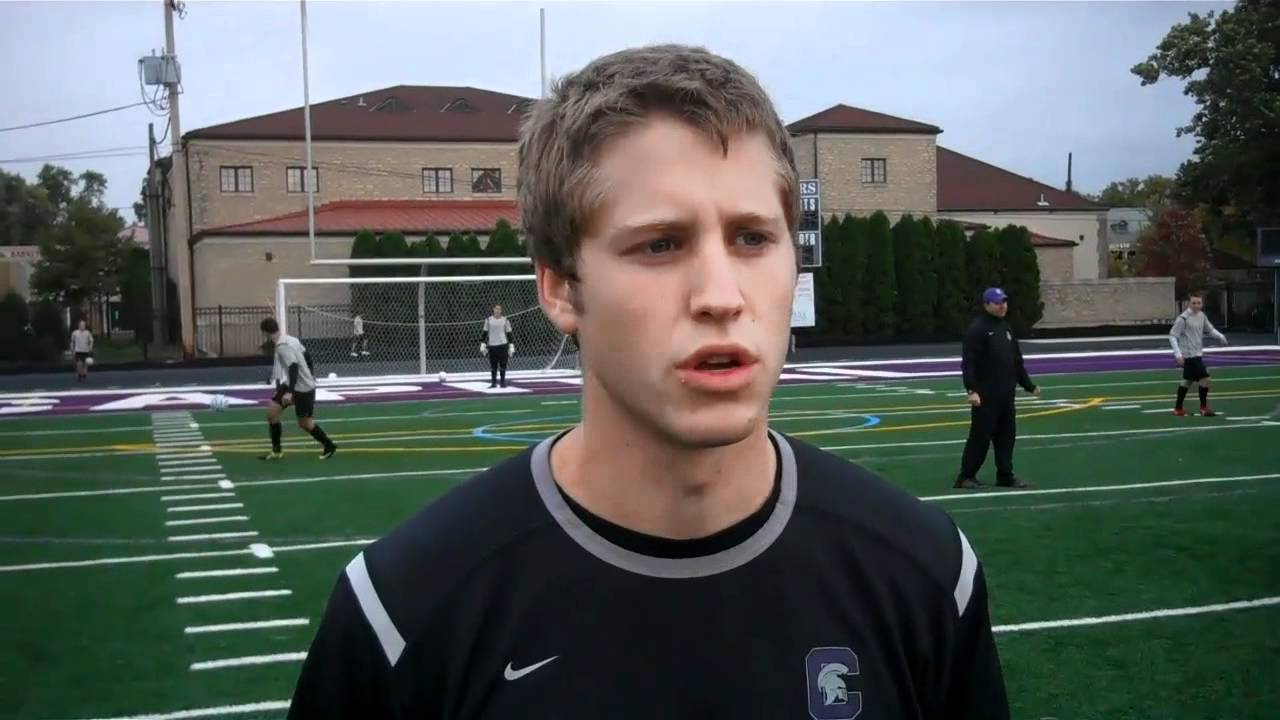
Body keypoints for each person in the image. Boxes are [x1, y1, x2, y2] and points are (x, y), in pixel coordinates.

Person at [288, 44, 1008, 719]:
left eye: (753, 238)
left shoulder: (927, 575)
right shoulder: (402, 614)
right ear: (560, 288)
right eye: (660, 244)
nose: (721, 296)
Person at [955, 287, 1040, 490]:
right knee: (980, 438)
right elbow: (969, 363)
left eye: (1004, 302)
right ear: (986, 305)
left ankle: (1005, 476)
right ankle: (966, 476)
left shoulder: (1006, 328)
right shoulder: (978, 330)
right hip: (986, 396)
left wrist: (1028, 385)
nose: (1002, 306)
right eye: (997, 303)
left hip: (1006, 395)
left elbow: (1016, 361)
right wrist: (971, 390)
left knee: (1006, 438)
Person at [258, 318, 336, 460]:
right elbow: (307, 356)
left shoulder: (282, 346)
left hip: (303, 388)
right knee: (272, 414)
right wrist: (310, 374)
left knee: (305, 424)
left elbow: (293, 367)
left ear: (265, 333)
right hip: (291, 383)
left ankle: (329, 445)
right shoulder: (291, 339)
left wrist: (289, 392)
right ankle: (277, 451)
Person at [1169, 290, 1228, 416]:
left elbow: (1210, 329)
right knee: (1206, 379)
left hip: (1197, 354)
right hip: (1189, 356)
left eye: (1199, 303)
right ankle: (1203, 408)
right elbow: (1172, 336)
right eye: (1194, 303)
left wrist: (1220, 336)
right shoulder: (1183, 318)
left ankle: (1178, 409)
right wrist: (1178, 355)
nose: (1196, 305)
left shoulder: (1202, 316)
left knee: (1187, 381)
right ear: (1188, 304)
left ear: (1202, 303)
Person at [480, 303, 515, 388]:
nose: (497, 310)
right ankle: (493, 383)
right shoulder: (488, 320)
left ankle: (502, 382)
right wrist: (483, 344)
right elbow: (485, 333)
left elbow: (509, 333)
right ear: (493, 309)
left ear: (501, 310)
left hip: (502, 345)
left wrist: (511, 345)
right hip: (492, 345)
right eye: (496, 308)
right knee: (493, 366)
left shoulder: (505, 320)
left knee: (503, 365)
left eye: (499, 309)